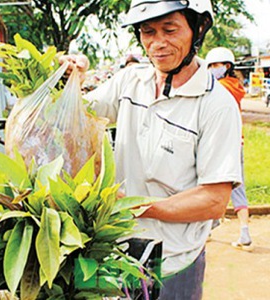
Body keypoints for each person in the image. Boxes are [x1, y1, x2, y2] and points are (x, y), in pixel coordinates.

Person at [62, 0, 242, 299]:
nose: (158, 43)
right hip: (112, 249)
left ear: (198, 29)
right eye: (148, 32)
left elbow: (213, 200)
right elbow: (77, 115)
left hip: (173, 260)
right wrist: (70, 80)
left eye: (170, 30)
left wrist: (136, 205)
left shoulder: (216, 105)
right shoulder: (129, 82)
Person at [206, 47, 253, 251]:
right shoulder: (236, 85)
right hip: (236, 142)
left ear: (226, 66)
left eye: (215, 65)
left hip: (222, 142)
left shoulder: (221, 87)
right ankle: (241, 232)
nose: (212, 69)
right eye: (210, 66)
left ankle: (213, 226)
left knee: (209, 184)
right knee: (234, 187)